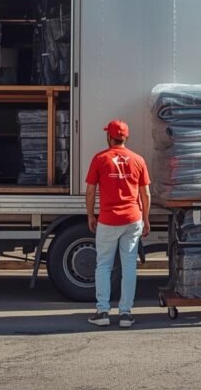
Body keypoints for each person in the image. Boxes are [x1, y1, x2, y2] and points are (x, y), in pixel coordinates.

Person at [85, 119, 151, 328]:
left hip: (108, 219)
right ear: (126, 137)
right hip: (133, 218)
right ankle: (125, 314)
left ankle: (103, 311)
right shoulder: (138, 160)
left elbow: (90, 191)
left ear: (108, 137)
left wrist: (90, 215)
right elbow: (146, 193)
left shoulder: (100, 159)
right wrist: (146, 218)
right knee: (129, 265)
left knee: (103, 265)